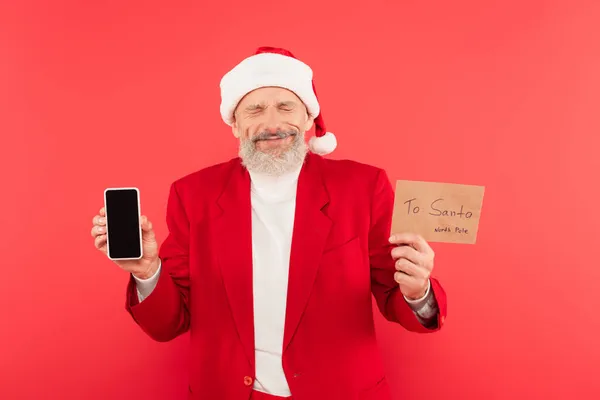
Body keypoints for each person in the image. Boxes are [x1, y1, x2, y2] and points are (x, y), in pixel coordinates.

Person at [91, 46, 447, 400]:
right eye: (255, 109)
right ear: (235, 124)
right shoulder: (192, 194)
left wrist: (417, 293)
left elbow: (393, 294)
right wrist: (147, 270)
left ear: (309, 118)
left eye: (286, 106)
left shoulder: (364, 187)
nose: (272, 123)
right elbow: (168, 323)